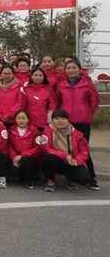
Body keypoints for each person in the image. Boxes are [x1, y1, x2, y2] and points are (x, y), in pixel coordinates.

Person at [55, 60, 100, 190]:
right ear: (65, 70)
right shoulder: (61, 85)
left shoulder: (87, 84)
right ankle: (71, 178)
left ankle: (91, 178)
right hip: (66, 123)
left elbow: (94, 102)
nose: (71, 70)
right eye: (68, 68)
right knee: (67, 149)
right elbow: (58, 102)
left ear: (79, 69)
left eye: (73, 67)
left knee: (84, 150)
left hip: (83, 122)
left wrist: (87, 115)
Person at [40, 109, 92, 192]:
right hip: (56, 160)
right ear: (52, 120)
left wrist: (76, 160)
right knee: (48, 158)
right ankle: (50, 179)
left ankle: (70, 178)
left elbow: (84, 151)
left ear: (68, 120)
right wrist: (64, 156)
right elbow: (45, 148)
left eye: (63, 119)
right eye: (56, 119)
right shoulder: (47, 131)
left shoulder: (77, 133)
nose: (60, 121)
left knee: (85, 179)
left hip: (72, 161)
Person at [8, 111, 41, 189]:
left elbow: (38, 148)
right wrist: (14, 157)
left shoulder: (35, 131)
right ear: (15, 120)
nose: (21, 120)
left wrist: (22, 156)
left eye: (23, 118)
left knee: (26, 161)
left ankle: (28, 181)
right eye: (19, 118)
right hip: (15, 158)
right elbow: (9, 146)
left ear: (28, 119)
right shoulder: (11, 130)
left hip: (30, 158)